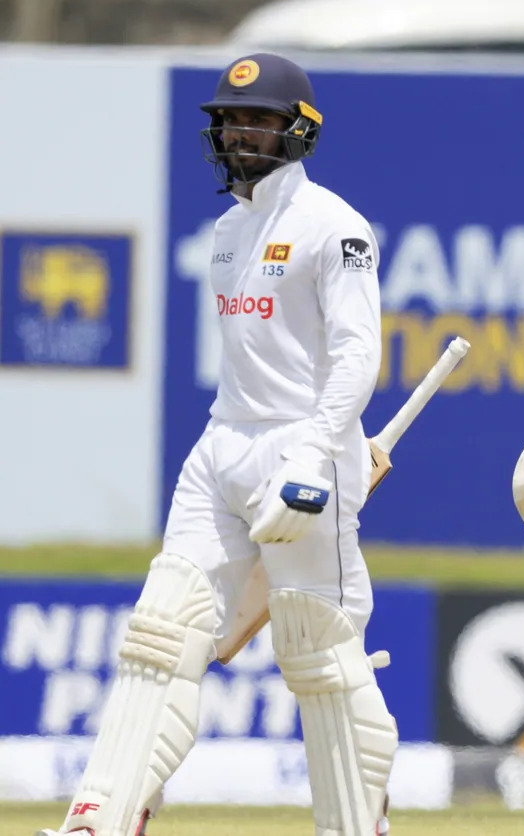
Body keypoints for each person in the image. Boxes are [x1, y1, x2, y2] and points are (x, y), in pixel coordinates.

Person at [38, 53, 394, 836]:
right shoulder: (229, 230)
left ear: (300, 131)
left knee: (319, 651)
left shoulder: (334, 226)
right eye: (230, 121)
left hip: (304, 450)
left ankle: (356, 824)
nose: (239, 133)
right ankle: (102, 816)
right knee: (162, 631)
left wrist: (317, 455)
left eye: (259, 120)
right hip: (223, 442)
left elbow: (357, 355)